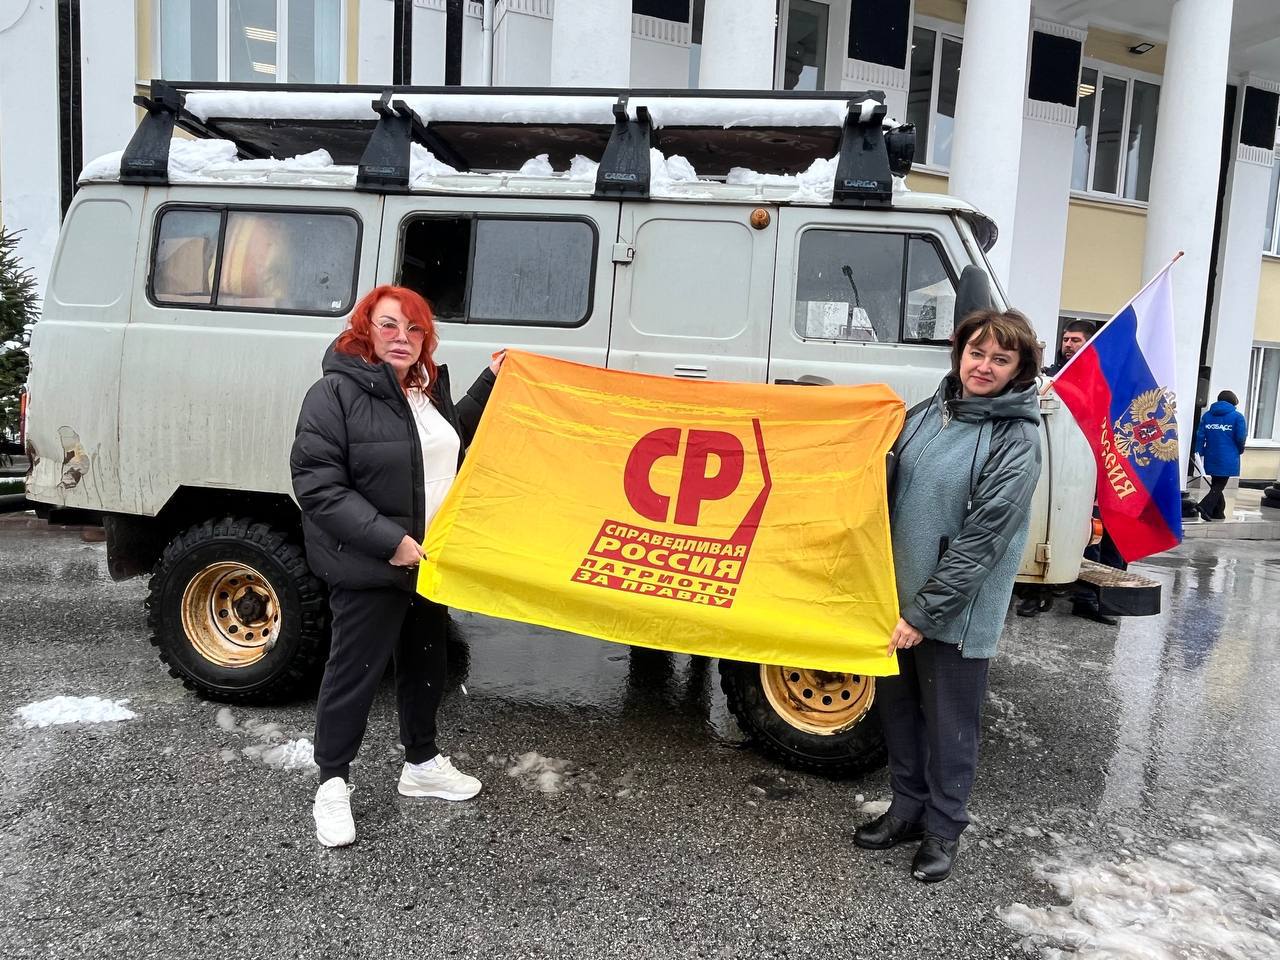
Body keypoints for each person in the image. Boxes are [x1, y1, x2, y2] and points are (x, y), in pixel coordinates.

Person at [291, 284, 504, 848]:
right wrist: (392, 542)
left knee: (425, 663)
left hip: (429, 562)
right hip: (372, 563)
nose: (401, 337)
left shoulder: (423, 393)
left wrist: (491, 381)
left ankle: (422, 764)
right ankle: (332, 783)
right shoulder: (334, 394)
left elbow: (448, 441)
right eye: (389, 325)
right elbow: (318, 485)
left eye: (414, 328)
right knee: (353, 673)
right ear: (366, 328)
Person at [854, 309, 1043, 883]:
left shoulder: (1017, 440)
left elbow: (983, 539)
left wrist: (923, 614)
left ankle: (943, 828)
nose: (983, 367)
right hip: (894, 601)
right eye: (976, 353)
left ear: (1019, 370)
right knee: (899, 715)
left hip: (955, 614)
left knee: (950, 727)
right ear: (960, 354)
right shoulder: (923, 415)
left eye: (1000, 359)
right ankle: (907, 810)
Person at [1194, 389, 1248, 521]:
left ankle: (1218, 513)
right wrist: (1240, 450)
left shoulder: (1207, 416)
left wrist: (1198, 453)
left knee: (1216, 483)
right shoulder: (1237, 417)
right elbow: (1240, 437)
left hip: (1211, 455)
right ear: (1233, 402)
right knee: (1220, 485)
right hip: (1228, 456)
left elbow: (1200, 436)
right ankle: (1204, 506)